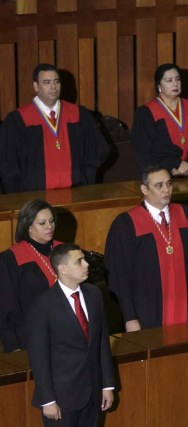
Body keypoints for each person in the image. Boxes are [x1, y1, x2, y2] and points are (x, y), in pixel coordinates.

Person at [105, 166, 188, 331]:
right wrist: (130, 317)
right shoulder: (127, 223)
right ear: (144, 189)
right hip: (147, 312)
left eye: (169, 184)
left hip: (185, 307)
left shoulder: (185, 215)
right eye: (159, 185)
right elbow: (118, 274)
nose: (166, 190)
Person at [27, 243, 115, 426]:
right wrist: (47, 400)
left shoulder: (94, 294)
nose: (86, 265)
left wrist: (107, 384)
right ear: (63, 269)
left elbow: (102, 343)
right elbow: (38, 357)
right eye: (79, 261)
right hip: (61, 398)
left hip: (93, 392)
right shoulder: (43, 305)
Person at [0, 63, 109, 192]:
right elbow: (8, 164)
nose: (53, 87)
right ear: (36, 86)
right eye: (47, 82)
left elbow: (99, 149)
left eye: (56, 82)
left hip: (76, 192)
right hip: (34, 197)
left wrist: (85, 179)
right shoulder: (18, 119)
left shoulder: (78, 114)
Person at [132, 63, 188, 176]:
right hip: (160, 174)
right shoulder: (147, 113)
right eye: (169, 80)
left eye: (177, 79)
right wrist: (175, 164)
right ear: (159, 86)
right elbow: (145, 148)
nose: (175, 84)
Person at [0, 200, 61, 352]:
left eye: (51, 221)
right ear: (28, 226)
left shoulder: (65, 250)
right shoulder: (11, 259)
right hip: (31, 339)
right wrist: (13, 346)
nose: (49, 226)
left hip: (67, 334)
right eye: (42, 223)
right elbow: (7, 307)